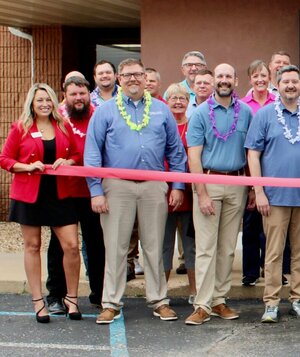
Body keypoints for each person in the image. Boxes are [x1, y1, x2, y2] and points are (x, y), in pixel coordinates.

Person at [85, 58, 187, 324]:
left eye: (138, 75)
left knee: (154, 246)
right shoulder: (105, 111)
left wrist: (177, 185)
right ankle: (111, 303)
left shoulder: (161, 110)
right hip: (116, 186)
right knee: (116, 247)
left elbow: (176, 151)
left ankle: (159, 301)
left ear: (146, 78)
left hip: (154, 186)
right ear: (119, 79)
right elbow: (93, 151)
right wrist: (96, 190)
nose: (133, 79)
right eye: (127, 75)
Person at [246, 65, 300, 323]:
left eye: (295, 81)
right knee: (273, 253)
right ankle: (271, 303)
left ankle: (298, 299)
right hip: (273, 198)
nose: (291, 86)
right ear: (277, 85)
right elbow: (253, 154)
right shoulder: (264, 115)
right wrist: (258, 191)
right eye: (286, 82)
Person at [1, 83, 82, 323]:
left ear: (55, 102)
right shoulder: (20, 128)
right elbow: (5, 159)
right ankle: (38, 301)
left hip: (60, 194)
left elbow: (76, 155)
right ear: (32, 104)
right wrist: (27, 166)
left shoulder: (63, 126)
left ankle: (72, 298)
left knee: (71, 246)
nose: (45, 104)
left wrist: (67, 162)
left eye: (48, 99)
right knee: (33, 246)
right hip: (30, 194)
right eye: (40, 100)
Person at [183, 64, 253, 325]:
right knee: (206, 248)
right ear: (214, 81)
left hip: (237, 183)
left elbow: (251, 153)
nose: (224, 81)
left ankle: (220, 300)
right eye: (220, 76)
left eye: (228, 76)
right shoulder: (200, 114)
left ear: (235, 80)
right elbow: (194, 156)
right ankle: (202, 304)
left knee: (226, 248)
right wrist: (201, 193)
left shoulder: (245, 112)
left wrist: (253, 187)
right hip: (208, 182)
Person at [44, 77, 105, 313]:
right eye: (73, 94)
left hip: (94, 191)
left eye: (82, 93)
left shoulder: (99, 115)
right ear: (65, 95)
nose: (78, 98)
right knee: (59, 245)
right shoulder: (56, 117)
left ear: (89, 93)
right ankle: (56, 295)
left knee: (96, 243)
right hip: (64, 191)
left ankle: (100, 294)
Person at [241, 60, 277, 287]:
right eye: (255, 76)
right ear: (250, 79)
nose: (260, 79)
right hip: (250, 169)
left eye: (263, 75)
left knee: (273, 224)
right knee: (251, 224)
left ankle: (273, 270)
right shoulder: (244, 106)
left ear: (270, 77)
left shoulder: (278, 103)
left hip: (273, 170)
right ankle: (251, 271)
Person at [160, 84, 197, 303]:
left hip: (189, 194)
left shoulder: (193, 126)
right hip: (163, 192)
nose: (177, 102)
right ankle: (161, 292)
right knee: (164, 244)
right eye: (173, 98)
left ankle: (194, 291)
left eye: (182, 98)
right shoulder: (161, 125)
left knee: (190, 245)